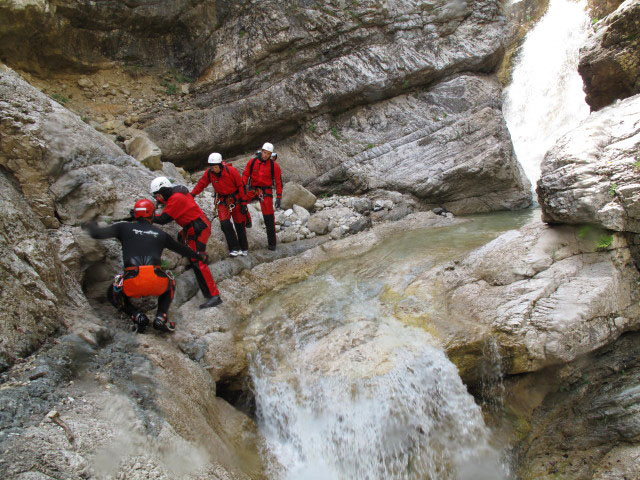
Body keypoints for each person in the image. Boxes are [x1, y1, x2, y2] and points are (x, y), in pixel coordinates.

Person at [82, 199, 207, 333]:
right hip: (156, 281)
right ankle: (161, 317)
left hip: (132, 281)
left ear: (135, 214)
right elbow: (182, 249)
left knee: (111, 293)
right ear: (152, 215)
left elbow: (96, 234)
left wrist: (90, 224)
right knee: (170, 281)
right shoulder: (161, 234)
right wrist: (200, 256)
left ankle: (136, 316)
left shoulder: (123, 227)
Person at [150, 176, 223, 309]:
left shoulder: (176, 199)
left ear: (164, 191)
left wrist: (146, 215)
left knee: (199, 262)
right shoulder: (177, 192)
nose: (158, 199)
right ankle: (208, 290)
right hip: (195, 227)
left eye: (158, 195)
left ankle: (214, 296)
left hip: (198, 229)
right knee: (194, 257)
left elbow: (163, 219)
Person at [191, 152, 249, 257]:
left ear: (221, 165)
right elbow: (201, 184)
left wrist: (244, 203)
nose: (214, 169)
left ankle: (244, 247)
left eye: (216, 166)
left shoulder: (231, 171)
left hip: (236, 200)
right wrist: (192, 194)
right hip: (222, 201)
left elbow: (241, 186)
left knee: (239, 224)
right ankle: (234, 248)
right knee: (224, 224)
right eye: (212, 167)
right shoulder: (209, 173)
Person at [242, 142, 283, 251]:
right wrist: (242, 188)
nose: (265, 155)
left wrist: (279, 197)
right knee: (240, 203)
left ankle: (272, 243)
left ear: (271, 154)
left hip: (265, 191)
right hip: (253, 189)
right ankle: (248, 220)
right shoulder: (252, 162)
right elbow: (246, 174)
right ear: (261, 151)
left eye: (268, 154)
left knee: (269, 216)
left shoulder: (274, 166)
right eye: (264, 152)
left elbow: (278, 182)